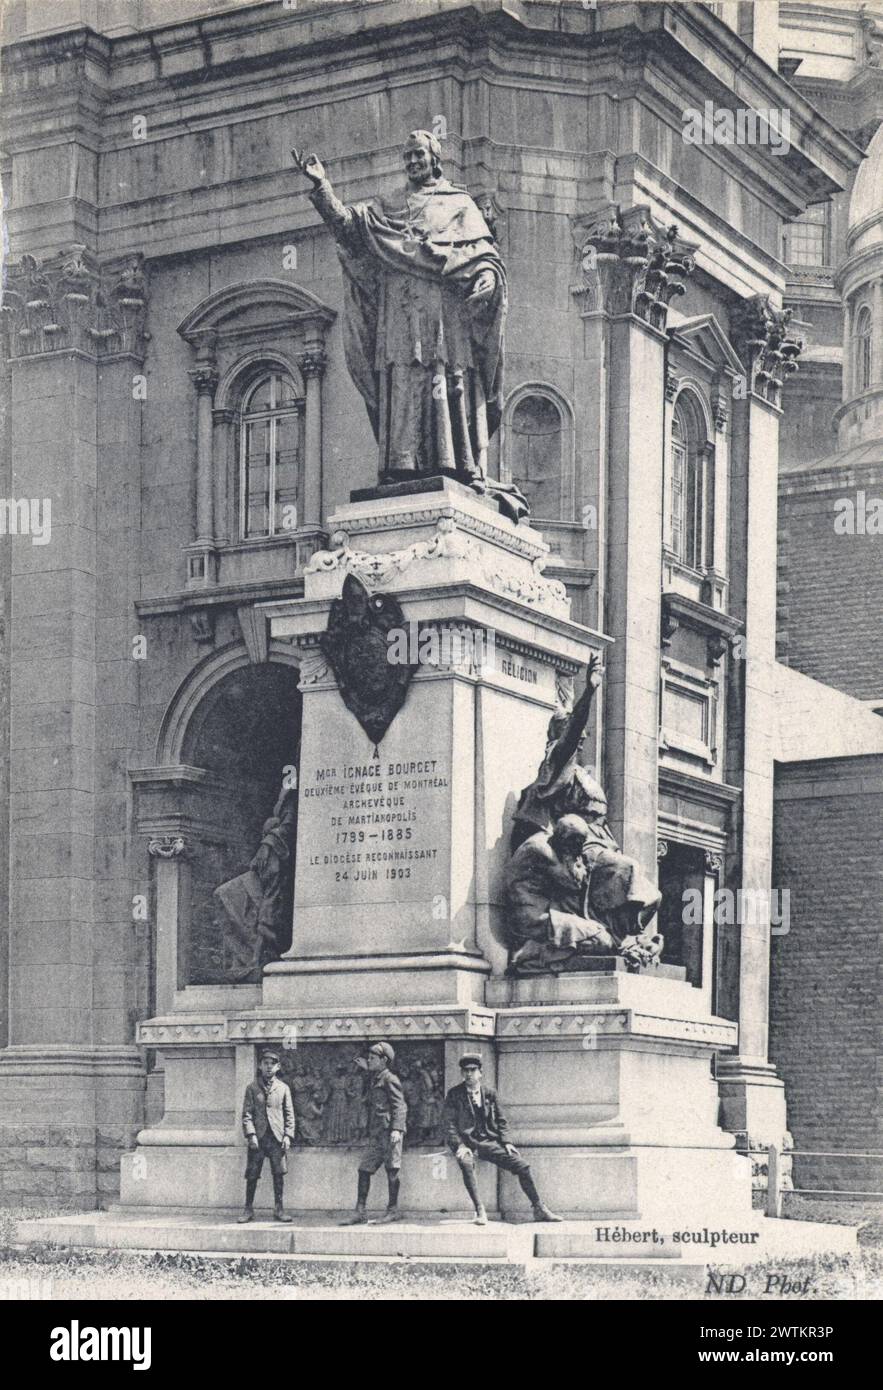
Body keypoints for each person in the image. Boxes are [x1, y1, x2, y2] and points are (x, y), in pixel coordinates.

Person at [291, 131, 526, 522]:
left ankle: (455, 463)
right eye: (408, 156)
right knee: (402, 382)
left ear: (435, 160)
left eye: (419, 154)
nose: (413, 162)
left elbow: (484, 255)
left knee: (446, 381)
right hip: (399, 319)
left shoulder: (459, 204)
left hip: (443, 321)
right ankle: (402, 465)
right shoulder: (389, 207)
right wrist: (323, 188)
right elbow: (350, 228)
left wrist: (486, 278)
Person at [442, 1055, 561, 1225]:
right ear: (462, 1073)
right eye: (465, 1071)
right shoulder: (454, 1094)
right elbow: (448, 1124)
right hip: (467, 1143)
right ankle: (480, 1210)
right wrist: (459, 1145)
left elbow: (501, 1120)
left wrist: (507, 1142)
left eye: (473, 1070)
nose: (469, 1074)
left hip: (489, 1143)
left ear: (480, 1073)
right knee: (466, 1164)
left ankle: (539, 1208)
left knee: (522, 1166)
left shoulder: (490, 1093)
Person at [341, 1041, 407, 1225]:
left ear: (384, 1060)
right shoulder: (375, 1077)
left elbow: (400, 1106)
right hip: (377, 1134)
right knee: (364, 1169)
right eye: (368, 1058)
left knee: (392, 1171)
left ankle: (393, 1210)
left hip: (389, 1132)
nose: (368, 1061)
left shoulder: (390, 1079)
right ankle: (360, 1212)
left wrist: (397, 1129)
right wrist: (366, 1068)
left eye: (372, 1058)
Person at [239, 1049, 295, 1223]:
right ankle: (248, 1209)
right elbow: (246, 1114)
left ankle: (279, 1209)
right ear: (260, 1066)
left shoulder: (283, 1088)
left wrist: (287, 1135)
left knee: (279, 1174)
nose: (269, 1067)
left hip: (277, 1138)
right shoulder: (252, 1088)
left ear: (278, 1067)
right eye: (266, 1064)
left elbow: (289, 1114)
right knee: (252, 1174)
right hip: (259, 1138)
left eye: (272, 1064)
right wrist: (251, 1135)